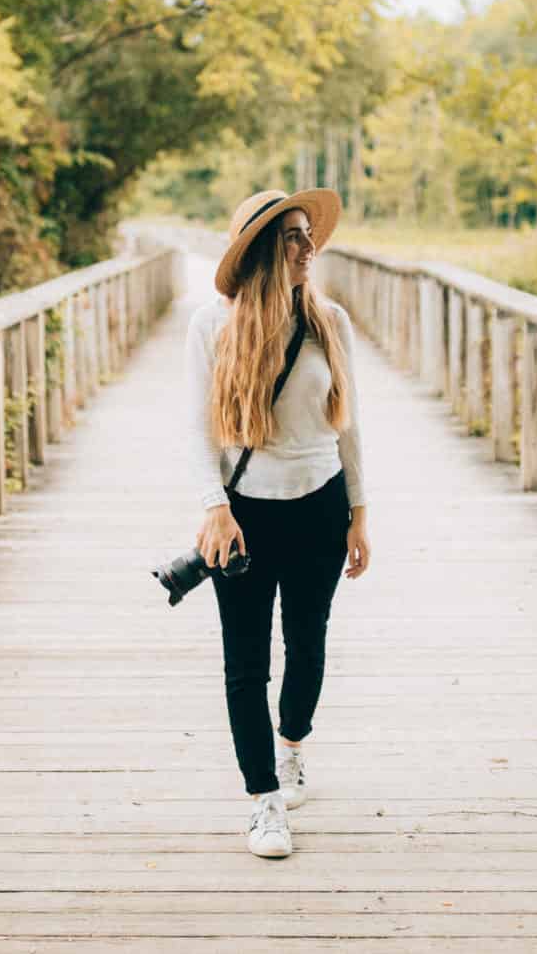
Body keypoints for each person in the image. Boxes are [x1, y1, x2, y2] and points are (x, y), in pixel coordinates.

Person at [187, 188, 371, 860]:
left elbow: (347, 425)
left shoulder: (332, 323)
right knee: (244, 665)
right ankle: (264, 800)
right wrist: (214, 505)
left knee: (308, 646)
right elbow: (198, 428)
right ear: (266, 249)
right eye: (293, 236)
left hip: (320, 506)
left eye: (307, 234)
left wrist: (359, 512)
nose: (307, 246)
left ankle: (292, 744)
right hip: (244, 517)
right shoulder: (213, 325)